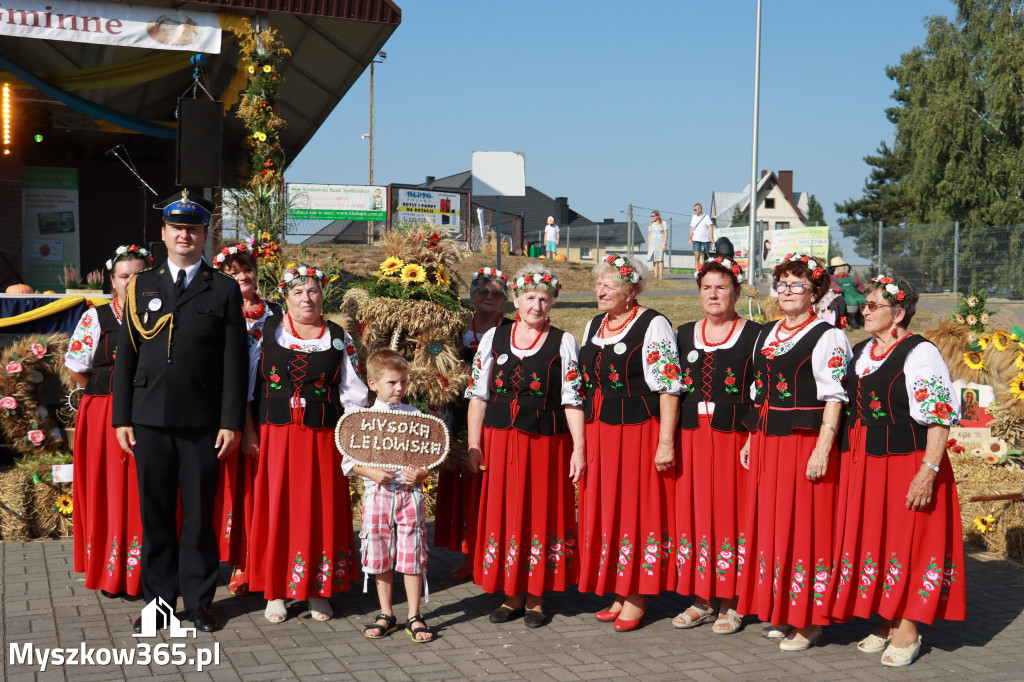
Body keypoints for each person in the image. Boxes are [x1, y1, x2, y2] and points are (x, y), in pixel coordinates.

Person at [113, 189, 249, 634]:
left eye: (193, 228)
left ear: (205, 235)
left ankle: (199, 602)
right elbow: (127, 357)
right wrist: (122, 417)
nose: (184, 235)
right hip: (149, 419)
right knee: (155, 516)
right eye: (177, 228)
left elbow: (234, 360)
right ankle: (158, 607)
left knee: (197, 517)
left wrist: (231, 421)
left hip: (202, 423)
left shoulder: (224, 288)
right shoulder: (142, 285)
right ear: (164, 234)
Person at [829, 276, 965, 668]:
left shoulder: (920, 353)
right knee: (882, 540)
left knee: (911, 541)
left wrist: (928, 469)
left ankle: (909, 626)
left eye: (873, 305)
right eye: (865, 305)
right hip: (867, 462)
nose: (864, 310)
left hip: (908, 460)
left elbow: (940, 417)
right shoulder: (862, 351)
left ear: (898, 313)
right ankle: (887, 617)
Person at [737, 253, 852, 651]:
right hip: (769, 441)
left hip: (804, 441)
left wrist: (823, 447)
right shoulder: (768, 331)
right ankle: (783, 608)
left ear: (816, 291)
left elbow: (834, 397)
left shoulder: (828, 334)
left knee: (805, 525)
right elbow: (760, 391)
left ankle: (809, 621)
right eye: (782, 283)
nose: (787, 291)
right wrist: (753, 436)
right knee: (774, 524)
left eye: (798, 284)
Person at [245, 263, 369, 624]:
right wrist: (249, 431)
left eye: (313, 291)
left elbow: (355, 392)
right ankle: (275, 590)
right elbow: (246, 387)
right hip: (275, 435)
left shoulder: (337, 336)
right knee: (277, 507)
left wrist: (350, 438)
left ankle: (318, 588)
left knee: (319, 507)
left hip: (322, 438)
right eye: (298, 292)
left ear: (322, 295)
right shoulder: (264, 331)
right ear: (285, 296)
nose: (306, 298)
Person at [465, 265, 585, 628]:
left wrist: (579, 449)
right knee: (505, 512)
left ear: (552, 304)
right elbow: (478, 396)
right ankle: (511, 593)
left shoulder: (563, 341)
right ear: (516, 299)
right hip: (500, 441)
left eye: (544, 299)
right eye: (530, 297)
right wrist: (473, 443)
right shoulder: (494, 339)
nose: (537, 305)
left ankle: (536, 598)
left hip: (545, 444)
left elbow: (572, 399)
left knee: (539, 512)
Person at [577, 254, 683, 631]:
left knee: (636, 508)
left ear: (631, 290)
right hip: (600, 430)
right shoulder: (593, 325)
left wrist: (666, 442)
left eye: (609, 284)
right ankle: (619, 590)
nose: (600, 290)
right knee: (609, 508)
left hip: (638, 430)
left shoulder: (653, 325)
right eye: (598, 284)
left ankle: (637, 594)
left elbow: (669, 386)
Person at [673, 255, 761, 634]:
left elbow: (767, 390)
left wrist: (754, 434)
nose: (713, 294)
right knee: (695, 513)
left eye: (721, 287)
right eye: (707, 287)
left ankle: (732, 600)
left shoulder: (756, 334)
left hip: (733, 437)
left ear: (736, 292)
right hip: (691, 435)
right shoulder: (682, 333)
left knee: (731, 514)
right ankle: (702, 598)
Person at [66, 244, 153, 597]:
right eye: (124, 276)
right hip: (104, 415)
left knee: (145, 489)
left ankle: (147, 570)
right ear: (112, 281)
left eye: (140, 276)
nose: (132, 283)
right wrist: (110, 392)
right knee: (108, 489)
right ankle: (111, 571)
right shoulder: (95, 318)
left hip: (149, 411)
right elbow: (77, 367)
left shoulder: (164, 316)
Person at [348, 350, 436, 643]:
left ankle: (414, 614)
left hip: (409, 496)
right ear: (372, 383)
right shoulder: (361, 418)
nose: (399, 388)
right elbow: (347, 462)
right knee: (380, 554)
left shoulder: (414, 416)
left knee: (412, 554)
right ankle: (386, 612)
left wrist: (422, 474)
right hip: (378, 495)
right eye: (392, 383)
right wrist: (371, 472)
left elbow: (429, 458)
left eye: (403, 382)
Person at [210, 242, 282, 596]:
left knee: (260, 490)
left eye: (247, 269)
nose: (242, 277)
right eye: (233, 272)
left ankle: (261, 558)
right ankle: (238, 561)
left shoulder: (278, 314)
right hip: (228, 411)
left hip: (269, 410)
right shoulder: (217, 311)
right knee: (235, 490)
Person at [433, 267, 512, 580]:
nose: (488, 297)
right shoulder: (455, 328)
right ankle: (468, 553)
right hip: (455, 410)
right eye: (482, 292)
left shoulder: (511, 329)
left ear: (506, 298)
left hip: (489, 412)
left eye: (496, 293)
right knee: (462, 484)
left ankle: (488, 553)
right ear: (472, 296)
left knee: (485, 483)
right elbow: (432, 362)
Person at [827, 257, 866, 329]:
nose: (842, 271)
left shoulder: (853, 278)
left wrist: (864, 291)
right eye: (838, 269)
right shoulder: (833, 278)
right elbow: (832, 284)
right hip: (843, 293)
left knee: (864, 299)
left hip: (855, 293)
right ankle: (852, 320)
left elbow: (859, 285)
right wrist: (837, 288)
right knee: (851, 301)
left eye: (844, 268)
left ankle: (863, 319)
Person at [689, 203, 714, 270]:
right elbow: (692, 228)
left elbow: (710, 227)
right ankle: (697, 271)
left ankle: (704, 270)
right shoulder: (694, 218)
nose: (695, 211)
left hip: (705, 240)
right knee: (697, 256)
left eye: (695, 209)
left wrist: (711, 237)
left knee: (704, 257)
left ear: (700, 209)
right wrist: (689, 239)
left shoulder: (706, 217)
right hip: (696, 240)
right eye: (694, 210)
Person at [647, 210, 669, 279]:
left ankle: (661, 274)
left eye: (653, 216)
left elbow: (666, 234)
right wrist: (648, 245)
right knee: (655, 259)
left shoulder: (663, 223)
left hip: (660, 243)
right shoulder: (651, 224)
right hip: (653, 243)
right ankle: (655, 274)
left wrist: (665, 244)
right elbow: (649, 235)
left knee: (660, 259)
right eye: (651, 216)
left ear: (657, 216)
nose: (652, 217)